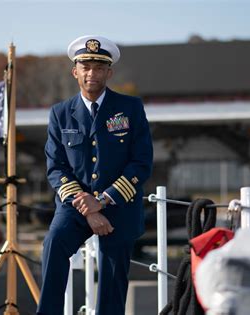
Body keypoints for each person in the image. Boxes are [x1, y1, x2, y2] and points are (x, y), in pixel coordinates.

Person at [37, 35, 153, 315]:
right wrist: (88, 207)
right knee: (54, 243)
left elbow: (141, 162)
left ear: (109, 73)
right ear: (75, 71)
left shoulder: (130, 108)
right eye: (85, 67)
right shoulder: (60, 113)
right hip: (76, 206)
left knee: (113, 274)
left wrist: (102, 201)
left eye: (99, 68)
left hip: (119, 204)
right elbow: (56, 167)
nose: (92, 73)